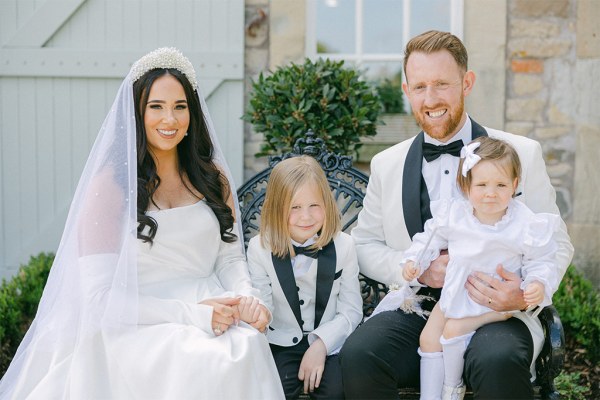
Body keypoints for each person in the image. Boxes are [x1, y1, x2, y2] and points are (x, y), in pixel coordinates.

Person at [0, 47, 285, 399]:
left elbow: (229, 258)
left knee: (244, 344)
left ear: (192, 114)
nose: (170, 119)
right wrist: (191, 315)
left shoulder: (214, 180)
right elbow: (99, 299)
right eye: (157, 107)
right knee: (201, 358)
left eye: (180, 107)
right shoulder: (111, 186)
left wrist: (246, 297)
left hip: (211, 302)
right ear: (137, 112)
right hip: (137, 319)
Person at [339, 30, 574, 399]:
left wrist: (526, 294)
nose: (430, 99)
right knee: (360, 355)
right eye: (419, 87)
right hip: (419, 306)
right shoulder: (387, 164)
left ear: (467, 83)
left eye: (441, 84)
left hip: (500, 310)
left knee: (497, 359)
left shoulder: (523, 154)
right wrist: (416, 267)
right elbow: (364, 243)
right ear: (406, 91)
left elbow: (557, 243)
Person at [400, 137, 560, 399]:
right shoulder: (455, 215)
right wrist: (414, 261)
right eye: (482, 184)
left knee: (451, 331)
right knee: (429, 339)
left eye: (500, 185)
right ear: (466, 186)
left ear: (515, 185)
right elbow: (429, 238)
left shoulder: (524, 223)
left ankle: (452, 389)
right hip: (456, 291)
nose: (490, 193)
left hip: (492, 300)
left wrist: (536, 284)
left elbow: (541, 259)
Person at [247, 155, 363, 399]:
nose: (306, 217)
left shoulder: (345, 246)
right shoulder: (259, 248)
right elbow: (263, 303)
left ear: (327, 204)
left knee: (337, 392)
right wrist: (258, 317)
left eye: (314, 206)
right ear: (277, 208)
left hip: (328, 343)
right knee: (272, 391)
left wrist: (321, 343)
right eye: (294, 208)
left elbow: (351, 310)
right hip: (279, 343)